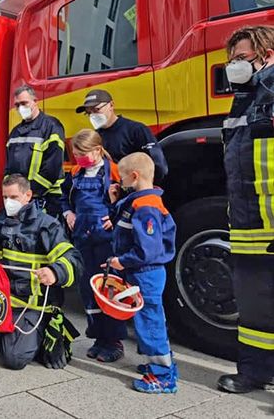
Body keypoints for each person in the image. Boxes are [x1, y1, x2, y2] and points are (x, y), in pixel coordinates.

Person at [217, 25, 274, 393]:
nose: (235, 65)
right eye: (232, 59)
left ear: (266, 53)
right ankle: (254, 372)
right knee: (254, 308)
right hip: (248, 223)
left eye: (242, 58)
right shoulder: (245, 98)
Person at [0, 174, 83, 370]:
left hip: (33, 303)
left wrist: (54, 272)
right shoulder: (0, 222)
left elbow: (73, 259)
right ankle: (3, 334)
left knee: (14, 360)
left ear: (28, 195)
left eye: (14, 197)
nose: (8, 202)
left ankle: (48, 328)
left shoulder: (46, 225)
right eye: (5, 197)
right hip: (6, 300)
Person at [106, 152, 178, 393]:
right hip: (143, 272)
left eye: (122, 179)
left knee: (150, 321)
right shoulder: (140, 201)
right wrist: (116, 200)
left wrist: (122, 262)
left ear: (134, 176)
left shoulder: (145, 207)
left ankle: (162, 376)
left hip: (145, 272)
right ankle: (157, 364)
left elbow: (148, 249)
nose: (119, 183)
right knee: (150, 318)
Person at [60, 129, 127, 362]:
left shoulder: (115, 172)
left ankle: (114, 340)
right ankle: (99, 337)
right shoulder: (76, 172)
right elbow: (63, 197)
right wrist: (68, 212)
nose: (78, 158)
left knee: (109, 289)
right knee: (88, 289)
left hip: (106, 241)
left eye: (82, 153)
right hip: (82, 237)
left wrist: (116, 216)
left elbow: (129, 201)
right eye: (75, 153)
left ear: (97, 150)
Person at [75, 89, 168, 184]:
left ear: (111, 105)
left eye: (96, 110)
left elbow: (158, 166)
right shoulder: (95, 137)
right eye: (89, 113)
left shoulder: (136, 130)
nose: (93, 115)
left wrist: (143, 189)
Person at [5, 85, 65, 218]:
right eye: (17, 105)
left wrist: (29, 191)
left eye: (24, 103)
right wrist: (13, 192)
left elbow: (52, 167)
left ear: (35, 101)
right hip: (22, 199)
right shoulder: (15, 132)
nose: (21, 108)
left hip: (46, 199)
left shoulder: (51, 126)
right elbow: (8, 167)